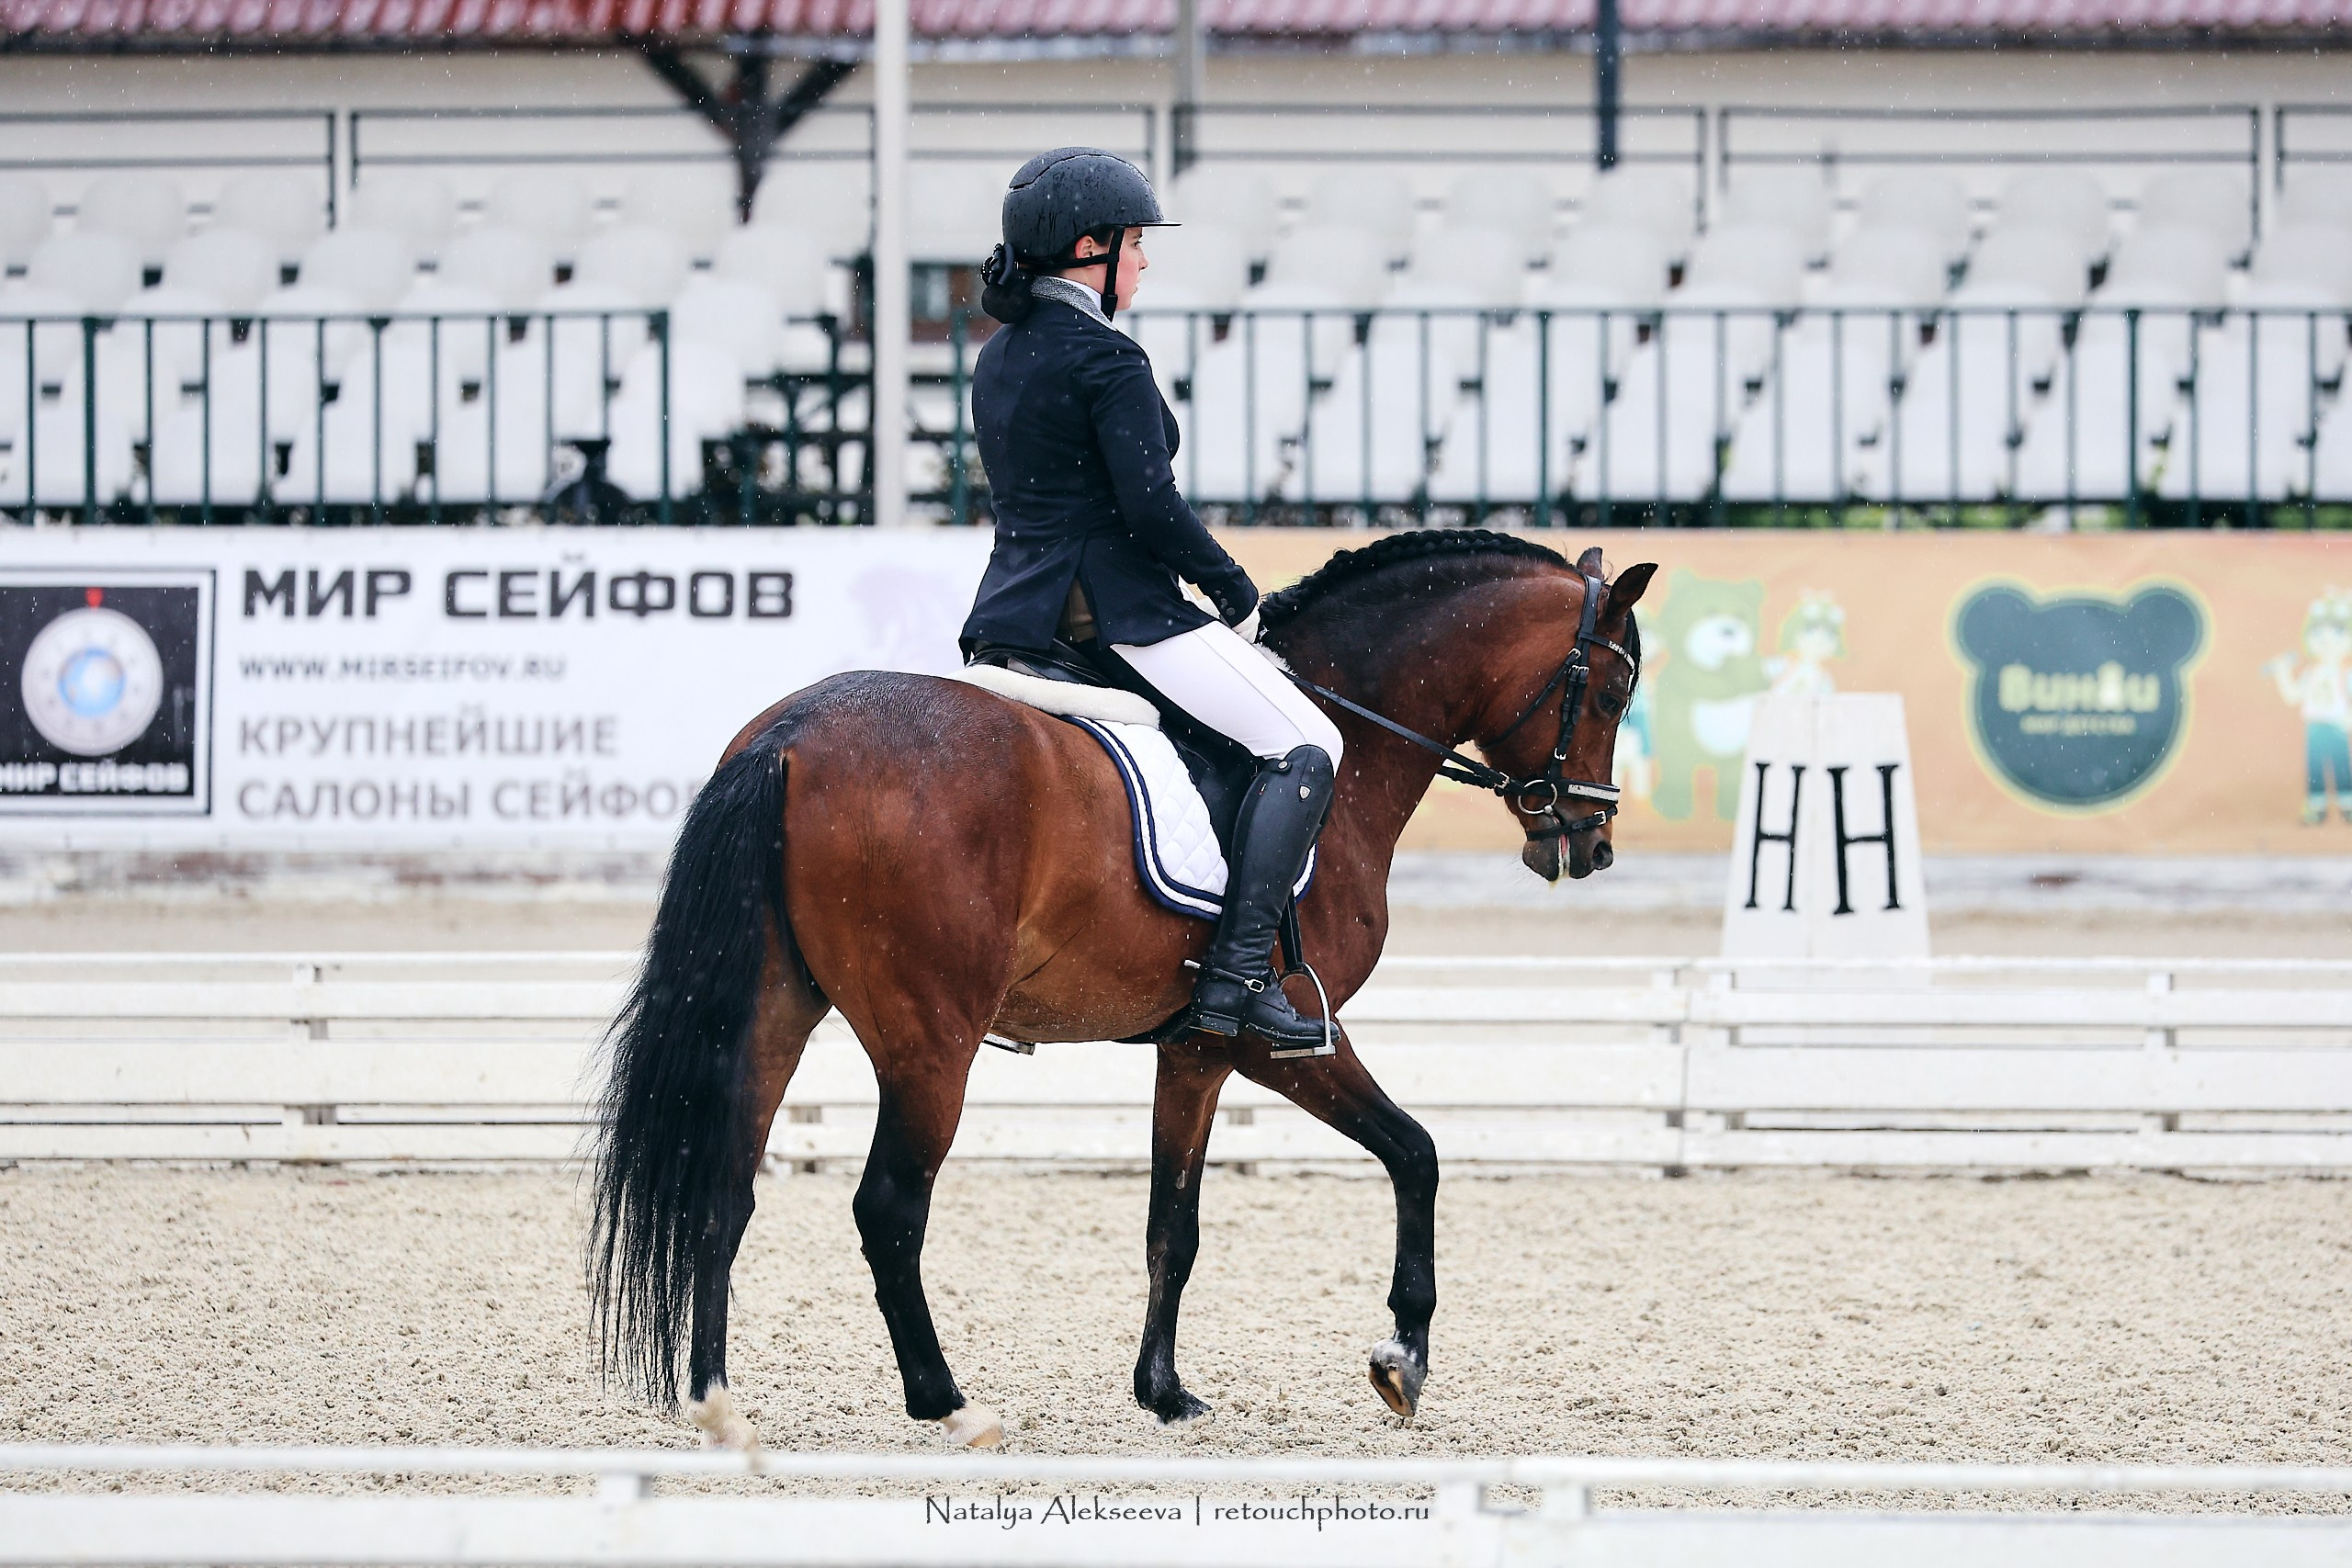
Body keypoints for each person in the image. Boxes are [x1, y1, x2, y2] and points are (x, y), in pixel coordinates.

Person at [958, 146, 1343, 1053]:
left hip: (1019, 614)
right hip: (1117, 612)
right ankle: (1238, 978)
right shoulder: (1106, 358)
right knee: (1305, 744)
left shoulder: (1000, 355)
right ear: (1089, 249)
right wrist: (1228, 583)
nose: (1142, 260)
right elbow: (1149, 507)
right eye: (1132, 243)